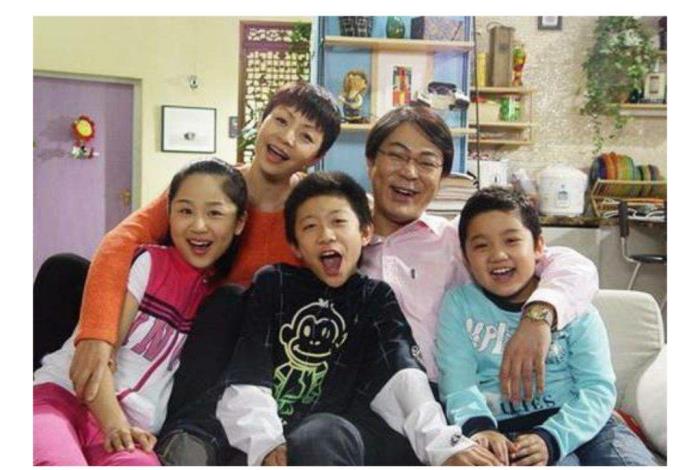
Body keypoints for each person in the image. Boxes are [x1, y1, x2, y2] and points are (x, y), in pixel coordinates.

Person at [33, 81, 343, 410]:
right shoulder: (208, 183)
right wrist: (97, 335)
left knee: (230, 300)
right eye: (280, 120)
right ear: (262, 121)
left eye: (305, 136)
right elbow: (123, 239)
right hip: (161, 312)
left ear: (316, 156)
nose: (287, 137)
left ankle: (180, 426)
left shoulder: (312, 212)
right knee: (63, 270)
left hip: (223, 346)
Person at [159, 172, 502, 466]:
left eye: (339, 222)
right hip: (257, 429)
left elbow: (402, 374)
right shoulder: (275, 283)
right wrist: (265, 441)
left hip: (326, 435)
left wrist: (443, 445)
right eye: (310, 226)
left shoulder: (375, 298)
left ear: (365, 232)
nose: (326, 235)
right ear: (295, 245)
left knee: (322, 432)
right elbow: (249, 369)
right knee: (195, 443)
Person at [360, 104, 599, 404]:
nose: (409, 172)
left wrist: (538, 315)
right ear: (371, 162)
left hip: (446, 398)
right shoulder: (342, 242)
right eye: (397, 156)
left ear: (442, 177)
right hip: (363, 400)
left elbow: (573, 267)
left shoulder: (458, 241)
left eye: (427, 162)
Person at [33, 158, 248, 465]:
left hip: (131, 432)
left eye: (215, 213)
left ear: (239, 222)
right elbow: (98, 360)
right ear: (168, 214)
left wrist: (124, 428)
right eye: (185, 211)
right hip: (62, 399)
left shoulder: (216, 302)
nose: (198, 226)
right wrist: (114, 423)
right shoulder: (146, 262)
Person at [435, 186, 656, 466]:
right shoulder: (459, 305)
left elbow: (597, 388)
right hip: (506, 433)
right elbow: (458, 385)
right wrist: (480, 428)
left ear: (539, 246)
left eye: (511, 240)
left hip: (586, 424)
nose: (498, 254)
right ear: (465, 257)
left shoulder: (571, 304)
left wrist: (553, 438)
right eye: (481, 245)